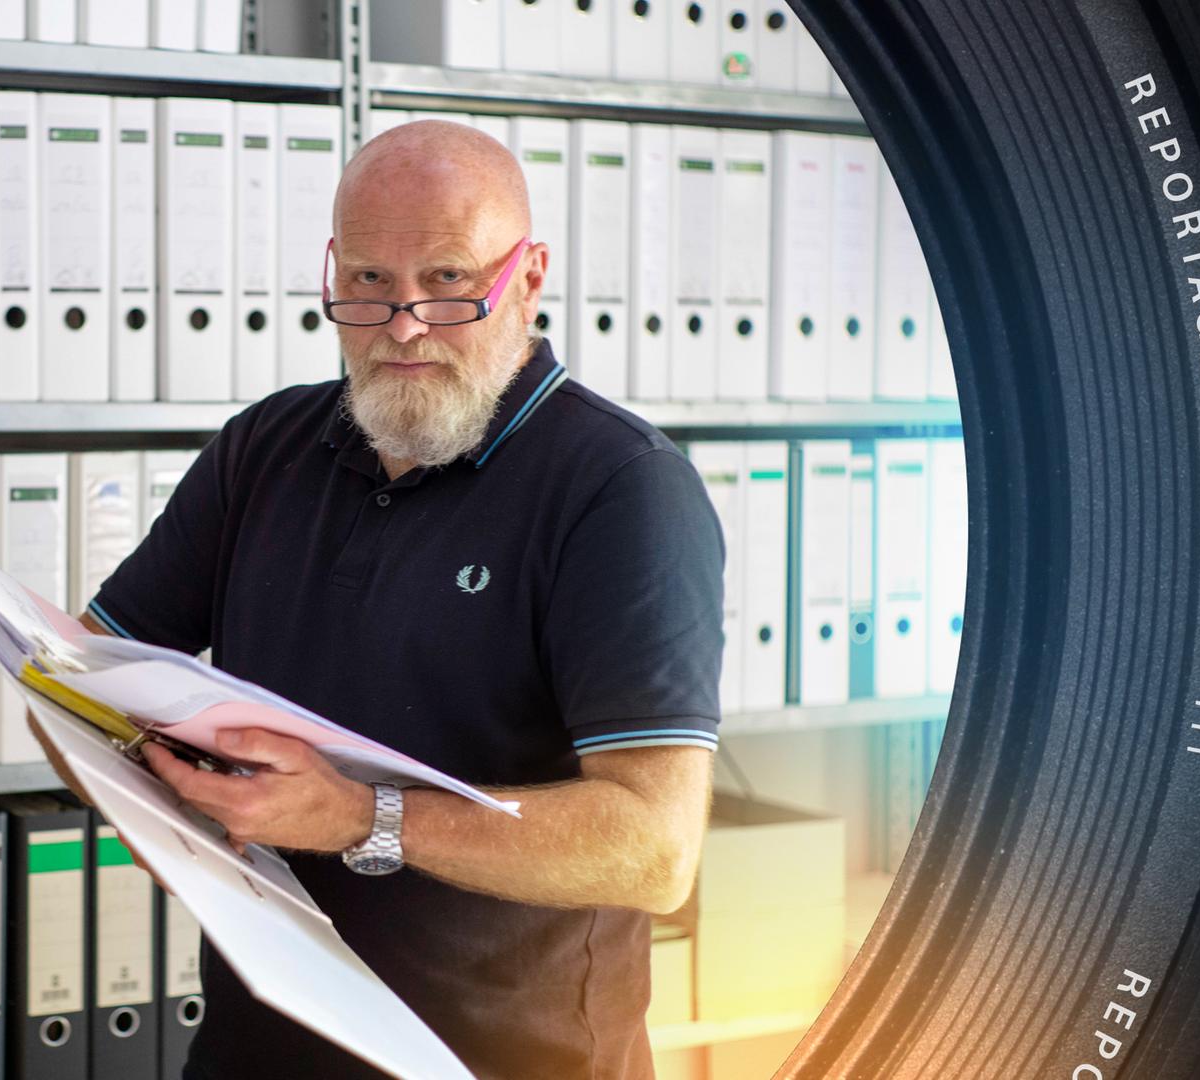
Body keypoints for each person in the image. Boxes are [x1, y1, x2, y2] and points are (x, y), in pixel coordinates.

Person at [47, 120, 724, 1079]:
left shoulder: (623, 488)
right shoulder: (264, 447)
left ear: (527, 279)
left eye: (448, 282)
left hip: (503, 1059)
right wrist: (153, 785)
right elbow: (87, 677)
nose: (403, 326)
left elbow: (653, 850)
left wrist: (364, 817)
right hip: (259, 1048)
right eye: (369, 283)